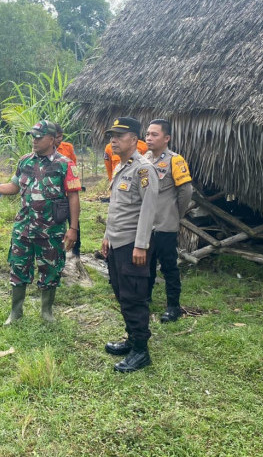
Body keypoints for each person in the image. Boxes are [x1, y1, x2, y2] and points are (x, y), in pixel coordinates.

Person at [0, 120, 81, 324]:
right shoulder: (25, 161)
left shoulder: (65, 164)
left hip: (51, 231)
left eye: (39, 137)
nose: (34, 140)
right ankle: (16, 312)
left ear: (52, 139)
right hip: (23, 228)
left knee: (51, 269)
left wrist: (73, 228)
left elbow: (73, 196)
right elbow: (14, 187)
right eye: (32, 136)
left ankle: (46, 312)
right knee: (18, 267)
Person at [101, 117, 159, 373]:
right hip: (116, 242)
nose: (113, 139)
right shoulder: (120, 168)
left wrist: (141, 245)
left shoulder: (143, 169)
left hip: (132, 245)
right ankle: (131, 339)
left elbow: (148, 210)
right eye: (112, 135)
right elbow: (117, 208)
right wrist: (106, 235)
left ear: (134, 140)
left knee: (134, 296)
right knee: (121, 293)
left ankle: (141, 351)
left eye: (119, 135)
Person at [144, 119, 193, 322]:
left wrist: (175, 214)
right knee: (144, 263)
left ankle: (173, 306)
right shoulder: (143, 160)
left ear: (166, 138)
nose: (149, 138)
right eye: (147, 134)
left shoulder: (175, 160)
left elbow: (186, 192)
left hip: (165, 224)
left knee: (168, 266)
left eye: (154, 134)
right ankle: (144, 299)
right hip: (146, 225)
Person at [52, 124, 83, 257]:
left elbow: (73, 165)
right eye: (57, 137)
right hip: (55, 194)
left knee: (74, 221)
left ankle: (76, 250)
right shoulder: (44, 150)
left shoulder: (68, 148)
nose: (59, 139)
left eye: (61, 136)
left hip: (68, 190)